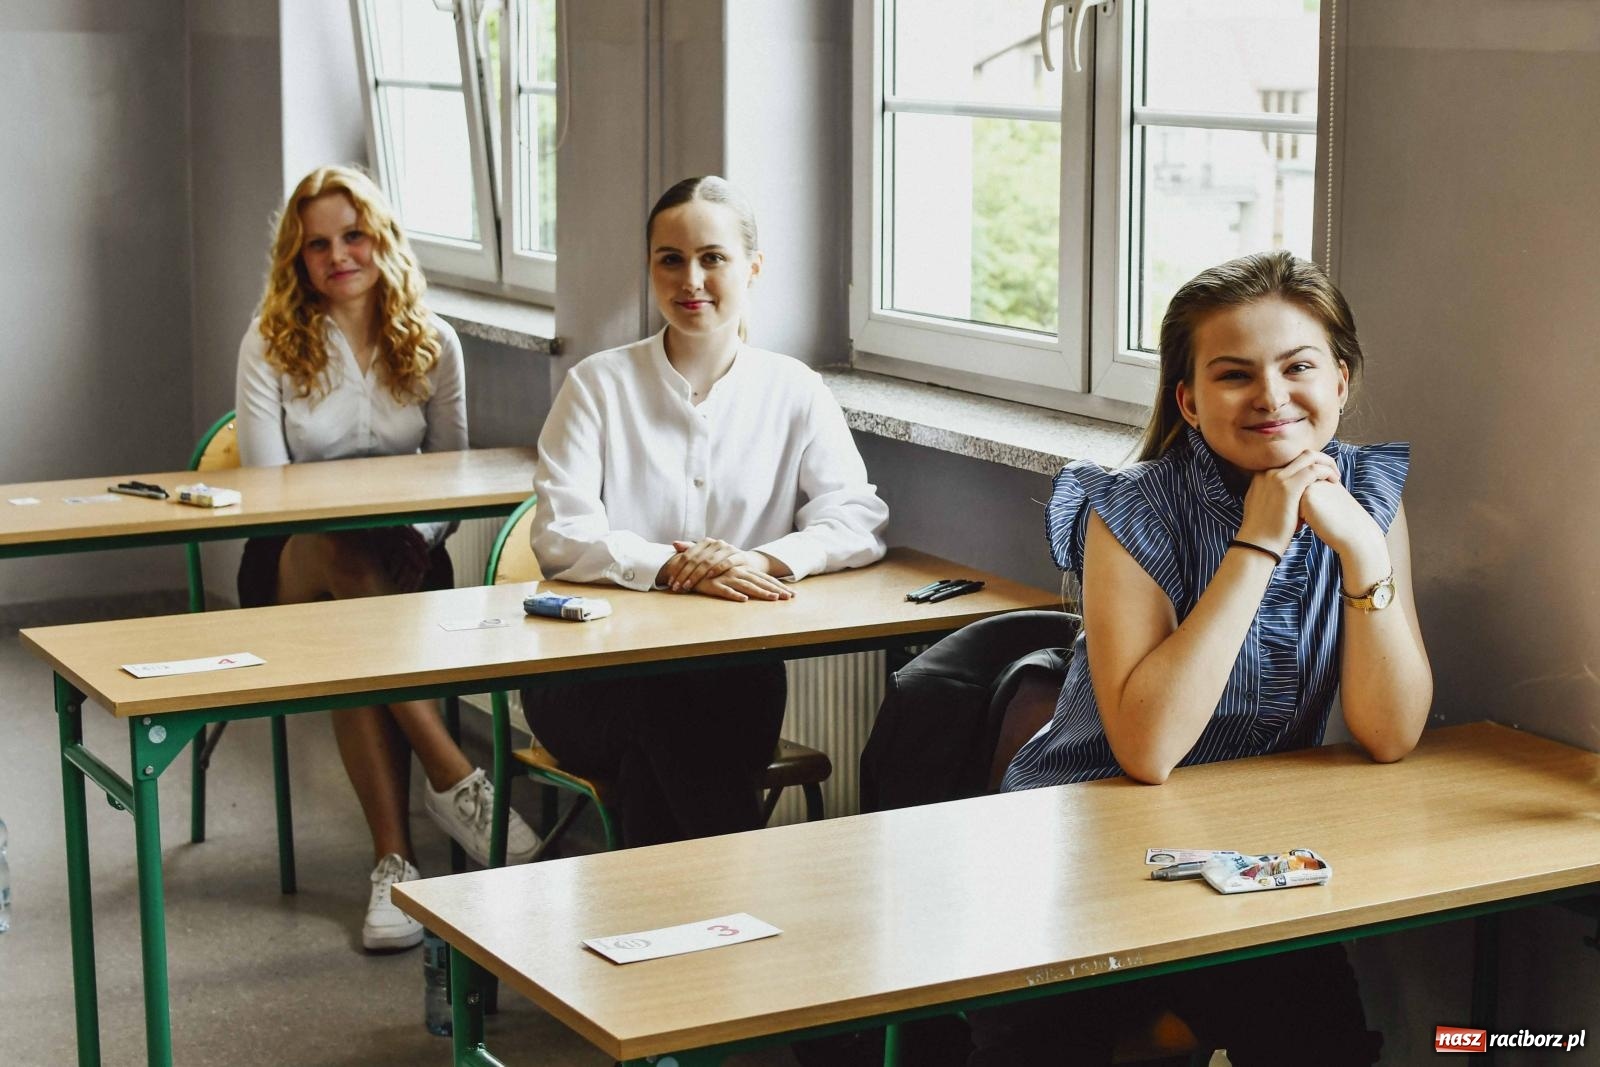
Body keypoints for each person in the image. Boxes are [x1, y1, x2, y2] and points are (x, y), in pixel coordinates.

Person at [974, 251, 1432, 1065]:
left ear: (1340, 381)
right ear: (1188, 399)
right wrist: (1258, 541)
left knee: (1323, 1045)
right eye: (1234, 374)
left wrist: (1364, 552)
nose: (1271, 395)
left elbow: (1390, 732)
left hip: (1240, 850)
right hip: (1089, 842)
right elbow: (1147, 751)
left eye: (1298, 366)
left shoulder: (1367, 496)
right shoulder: (1130, 506)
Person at [521, 175, 889, 847]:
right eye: (671, 259)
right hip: (591, 678)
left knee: (662, 752)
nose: (691, 279)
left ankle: (671, 907)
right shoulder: (597, 386)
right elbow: (560, 536)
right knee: (667, 709)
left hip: (732, 675)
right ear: (650, 267)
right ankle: (738, 892)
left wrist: (757, 561)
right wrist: (673, 566)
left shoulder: (794, 390)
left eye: (712, 257)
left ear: (753, 266)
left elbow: (855, 518)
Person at [235, 165, 539, 953]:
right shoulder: (270, 343)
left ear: (383, 239)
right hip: (291, 563)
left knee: (355, 636)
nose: (339, 256)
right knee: (342, 554)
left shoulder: (435, 342)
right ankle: (453, 773)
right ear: (297, 259)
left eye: (354, 236)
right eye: (318, 245)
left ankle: (395, 868)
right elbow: (268, 493)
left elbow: (454, 475)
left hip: (405, 560)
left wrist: (417, 536)